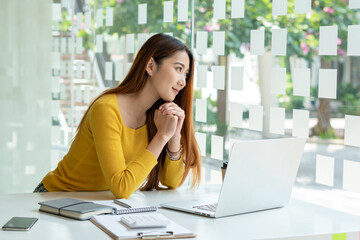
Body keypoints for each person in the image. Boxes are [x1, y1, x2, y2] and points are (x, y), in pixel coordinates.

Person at [34, 33, 201, 199]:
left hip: (97, 203)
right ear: (150, 66)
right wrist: (161, 136)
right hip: (56, 197)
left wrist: (174, 135)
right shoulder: (106, 109)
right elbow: (121, 188)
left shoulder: (158, 116)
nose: (183, 82)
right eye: (178, 69)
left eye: (186, 74)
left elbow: (172, 181)